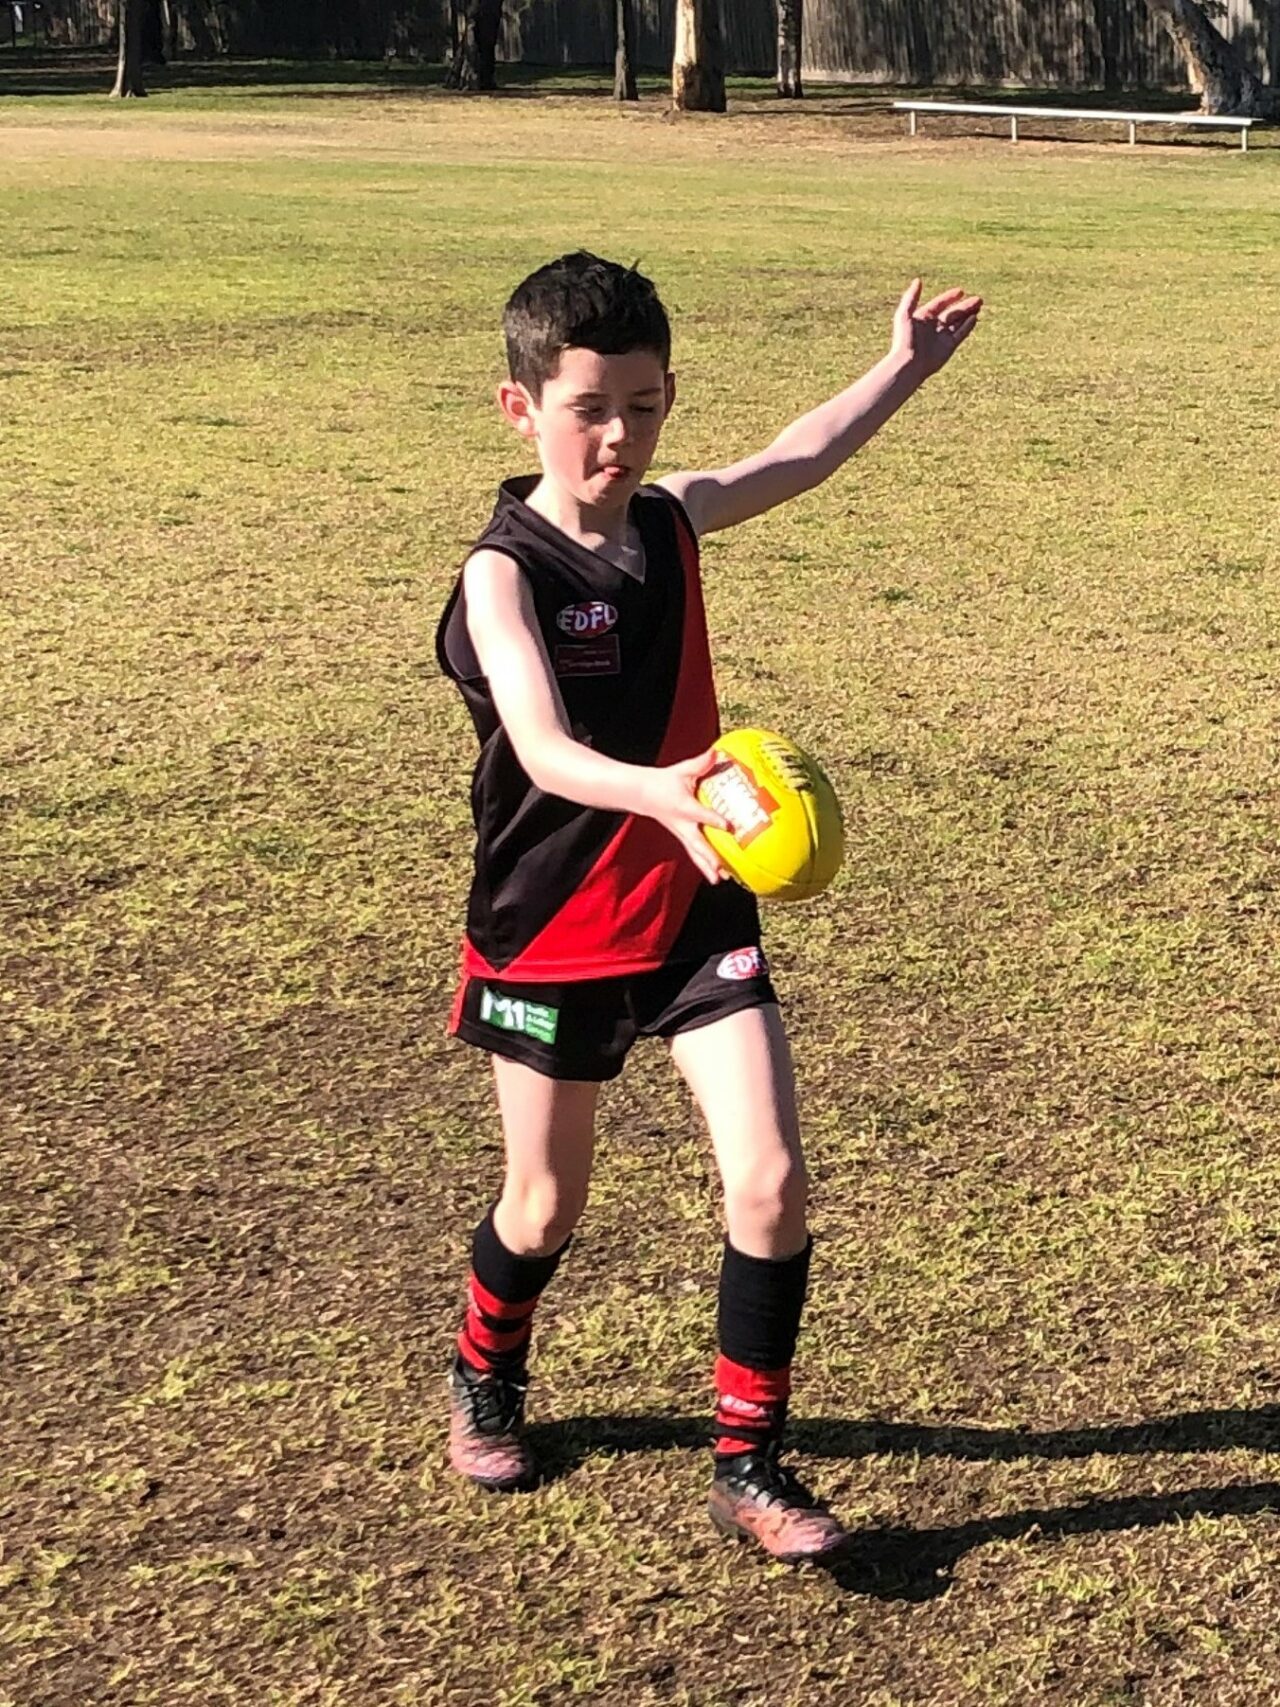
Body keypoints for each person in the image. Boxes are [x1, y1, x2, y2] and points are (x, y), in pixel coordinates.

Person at [435, 251, 980, 1563]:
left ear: (668, 396)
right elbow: (544, 748)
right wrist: (666, 792)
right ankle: (486, 1374)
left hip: (694, 904)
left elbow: (798, 456)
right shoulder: (502, 576)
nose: (617, 439)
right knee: (542, 1206)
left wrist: (899, 371)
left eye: (643, 406)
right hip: (553, 925)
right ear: (521, 409)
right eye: (587, 410)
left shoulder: (671, 520)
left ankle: (750, 1464)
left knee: (773, 1183)